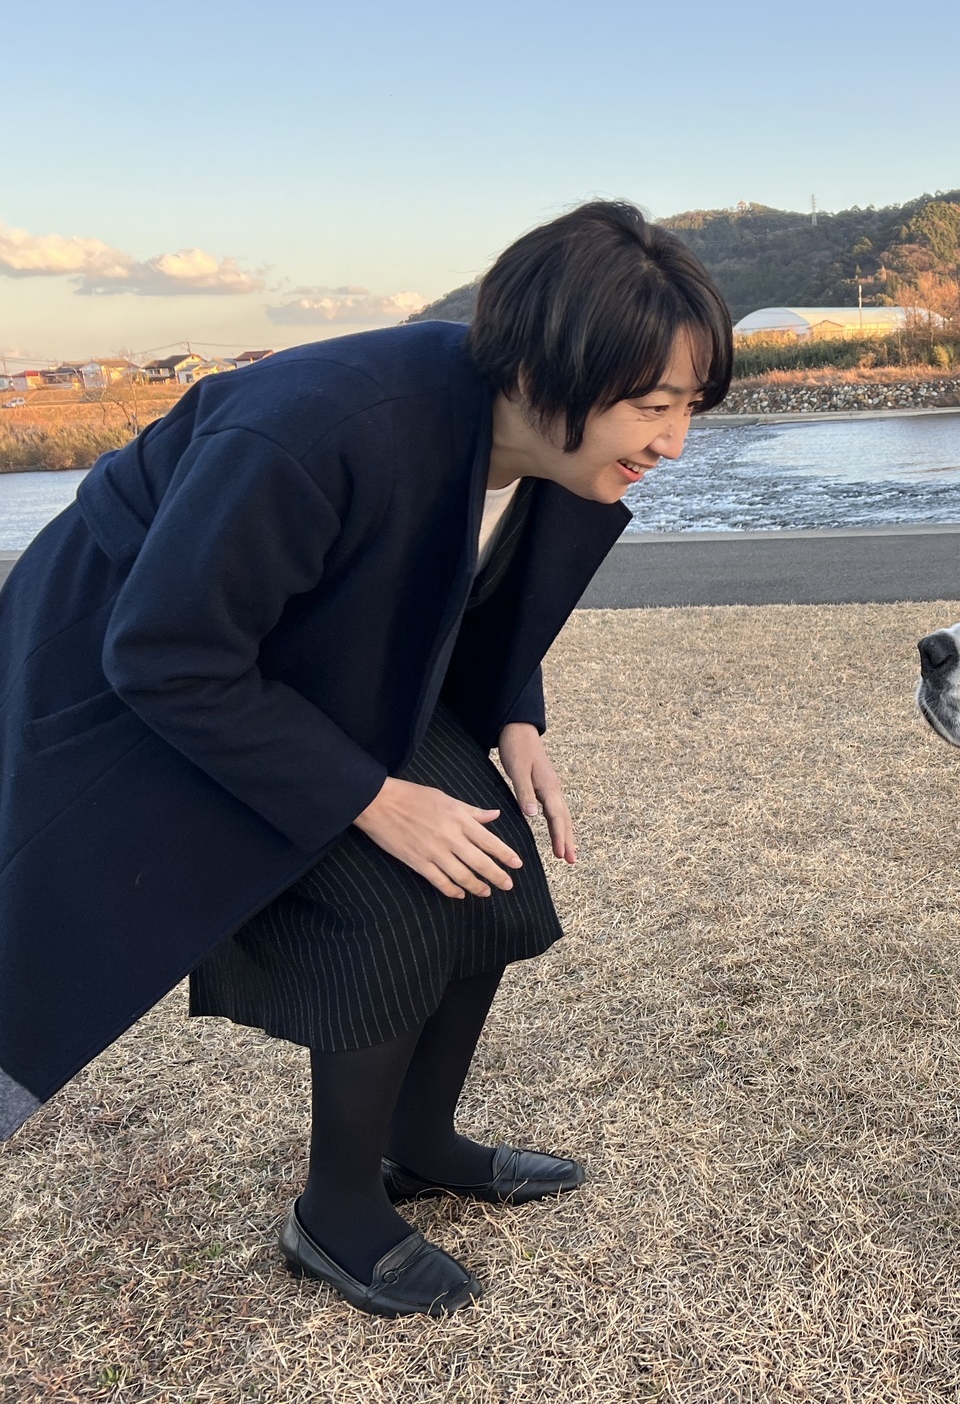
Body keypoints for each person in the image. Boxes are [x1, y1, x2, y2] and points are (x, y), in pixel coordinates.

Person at [0, 200, 732, 1316]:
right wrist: (372, 799)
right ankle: (335, 1214)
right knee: (393, 901)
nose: (671, 442)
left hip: (293, 655)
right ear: (545, 373)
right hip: (144, 677)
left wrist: (516, 718)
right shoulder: (319, 427)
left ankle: (416, 1140)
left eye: (689, 407)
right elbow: (163, 650)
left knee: (491, 876)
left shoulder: (525, 436)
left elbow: (465, 602)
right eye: (652, 405)